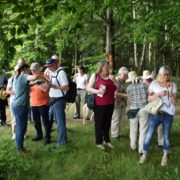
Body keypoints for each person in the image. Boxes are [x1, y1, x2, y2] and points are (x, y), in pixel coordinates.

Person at [139, 65, 177, 166]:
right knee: (149, 135)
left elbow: (174, 102)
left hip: (168, 114)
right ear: (160, 74)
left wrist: (170, 92)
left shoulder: (172, 84)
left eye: (169, 74)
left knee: (166, 136)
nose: (167, 76)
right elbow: (149, 99)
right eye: (165, 74)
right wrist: (158, 94)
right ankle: (144, 154)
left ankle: (165, 155)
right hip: (155, 113)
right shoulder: (154, 84)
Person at [87, 60, 116, 150]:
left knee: (107, 123)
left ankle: (107, 140)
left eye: (108, 67)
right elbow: (88, 88)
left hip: (110, 103)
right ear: (101, 67)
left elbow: (117, 87)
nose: (107, 69)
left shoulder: (111, 77)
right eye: (106, 67)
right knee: (99, 123)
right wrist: (98, 91)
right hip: (99, 104)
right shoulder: (95, 76)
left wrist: (114, 80)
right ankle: (98, 141)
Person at [11, 63, 40, 152]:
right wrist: (36, 71)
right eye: (29, 69)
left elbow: (27, 84)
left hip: (16, 105)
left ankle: (19, 147)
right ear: (25, 69)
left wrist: (35, 83)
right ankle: (20, 149)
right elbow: (34, 77)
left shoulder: (17, 77)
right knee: (22, 128)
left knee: (20, 127)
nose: (30, 71)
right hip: (20, 106)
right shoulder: (24, 75)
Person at [45, 57, 69, 149]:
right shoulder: (51, 72)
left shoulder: (61, 73)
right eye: (47, 66)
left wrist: (54, 86)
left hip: (59, 100)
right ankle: (61, 140)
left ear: (55, 63)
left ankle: (62, 143)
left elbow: (66, 87)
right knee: (57, 121)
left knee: (60, 122)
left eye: (50, 66)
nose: (48, 68)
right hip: (53, 100)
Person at [126, 71, 149, 154]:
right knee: (143, 129)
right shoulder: (145, 85)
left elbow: (129, 100)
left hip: (133, 110)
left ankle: (133, 146)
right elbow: (148, 96)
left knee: (133, 129)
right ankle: (141, 149)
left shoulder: (128, 88)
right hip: (144, 109)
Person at [29, 62, 51, 144]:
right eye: (32, 70)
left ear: (39, 69)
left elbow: (45, 89)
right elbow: (28, 88)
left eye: (35, 70)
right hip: (34, 103)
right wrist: (33, 81)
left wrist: (36, 82)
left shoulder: (45, 76)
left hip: (43, 103)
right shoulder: (31, 77)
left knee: (45, 121)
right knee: (36, 121)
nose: (33, 72)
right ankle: (39, 135)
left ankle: (47, 137)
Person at [142, 70, 164, 147]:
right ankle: (151, 139)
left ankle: (160, 141)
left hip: (156, 105)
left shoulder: (155, 83)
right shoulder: (143, 83)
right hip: (149, 106)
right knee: (150, 123)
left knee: (158, 123)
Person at [111, 67, 128, 139]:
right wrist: (125, 95)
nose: (125, 76)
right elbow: (115, 94)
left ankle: (119, 133)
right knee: (115, 119)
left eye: (126, 75)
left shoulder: (124, 81)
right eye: (124, 75)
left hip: (123, 103)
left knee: (121, 119)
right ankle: (114, 135)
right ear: (120, 74)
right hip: (116, 103)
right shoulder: (115, 80)